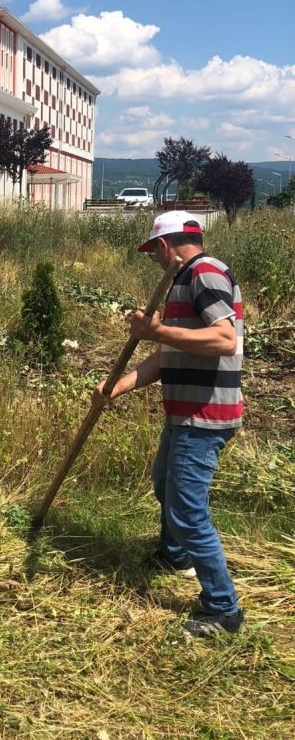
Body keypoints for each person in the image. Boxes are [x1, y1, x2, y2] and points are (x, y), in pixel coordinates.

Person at [94, 211, 244, 638]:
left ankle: (222, 608)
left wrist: (156, 331)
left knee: (188, 508)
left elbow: (223, 340)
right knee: (165, 485)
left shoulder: (206, 273)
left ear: (164, 246)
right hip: (184, 410)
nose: (155, 261)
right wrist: (116, 386)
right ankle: (174, 555)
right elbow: (167, 357)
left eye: (153, 253)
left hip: (205, 414)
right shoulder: (185, 280)